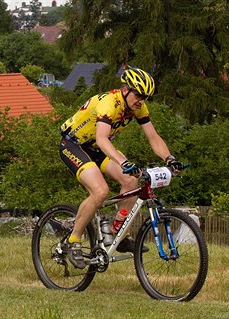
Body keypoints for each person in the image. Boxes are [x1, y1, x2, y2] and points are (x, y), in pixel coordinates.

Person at [58, 66, 183, 269]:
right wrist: (123, 162)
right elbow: (102, 137)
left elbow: (153, 136)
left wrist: (169, 158)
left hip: (98, 149)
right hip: (74, 145)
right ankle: (73, 240)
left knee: (131, 181)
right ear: (126, 90)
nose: (141, 100)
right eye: (138, 95)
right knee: (100, 191)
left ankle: (118, 232)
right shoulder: (109, 103)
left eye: (145, 97)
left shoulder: (138, 107)